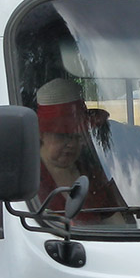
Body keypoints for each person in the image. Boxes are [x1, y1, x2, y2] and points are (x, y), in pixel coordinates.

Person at [35, 78, 127, 224]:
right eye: (62, 135)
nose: (71, 144)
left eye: (78, 136)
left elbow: (117, 222)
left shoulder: (92, 172)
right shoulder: (29, 177)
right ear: (41, 134)